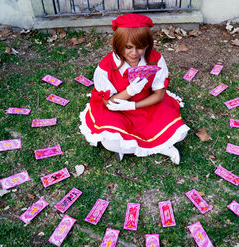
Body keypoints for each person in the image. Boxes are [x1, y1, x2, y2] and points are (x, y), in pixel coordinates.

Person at [79, 13, 189, 164]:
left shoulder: (155, 59)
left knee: (180, 133)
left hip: (147, 103)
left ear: (147, 45)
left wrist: (134, 104)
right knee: (109, 141)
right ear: (118, 45)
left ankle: (139, 147)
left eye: (140, 47)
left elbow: (159, 94)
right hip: (117, 109)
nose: (134, 54)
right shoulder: (106, 67)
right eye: (128, 47)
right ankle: (159, 146)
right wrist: (130, 92)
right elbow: (109, 103)